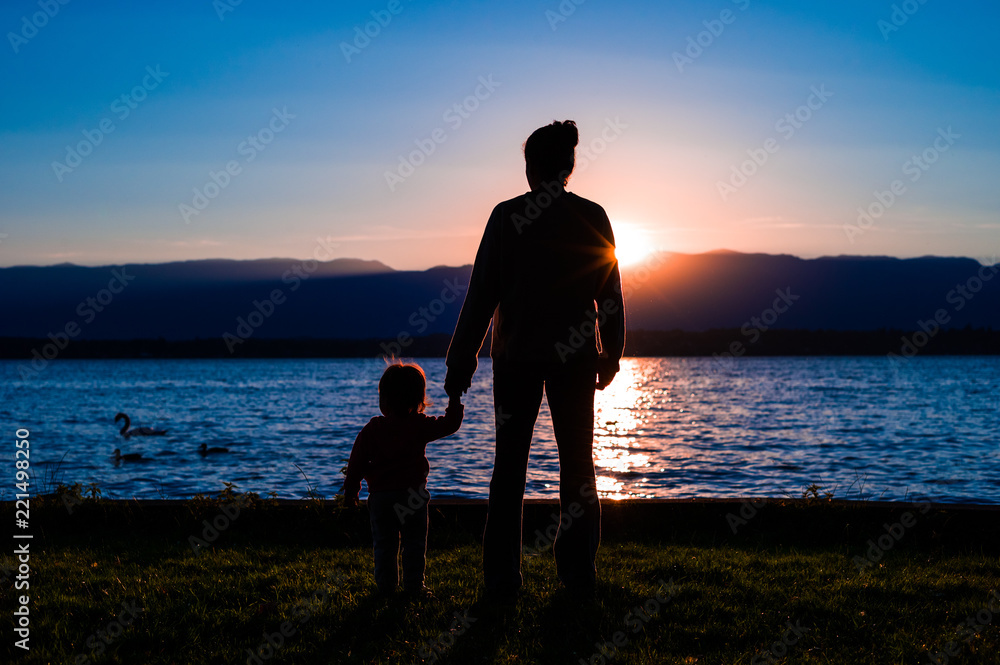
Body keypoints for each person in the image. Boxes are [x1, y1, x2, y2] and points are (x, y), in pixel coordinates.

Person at [445, 119, 625, 601]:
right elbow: (609, 294)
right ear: (568, 167)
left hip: (516, 357)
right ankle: (578, 573)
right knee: (578, 466)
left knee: (509, 467)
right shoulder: (592, 216)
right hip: (574, 360)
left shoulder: (506, 218)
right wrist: (612, 352)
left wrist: (460, 363)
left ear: (531, 167)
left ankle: (503, 579)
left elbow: (480, 296)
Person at [342, 362, 464, 596]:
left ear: (384, 399)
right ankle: (414, 587)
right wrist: (455, 399)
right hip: (412, 498)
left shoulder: (373, 428)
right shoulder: (419, 425)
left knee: (384, 546)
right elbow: (450, 424)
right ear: (417, 398)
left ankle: (386, 587)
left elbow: (355, 463)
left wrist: (351, 493)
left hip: (381, 499)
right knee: (415, 545)